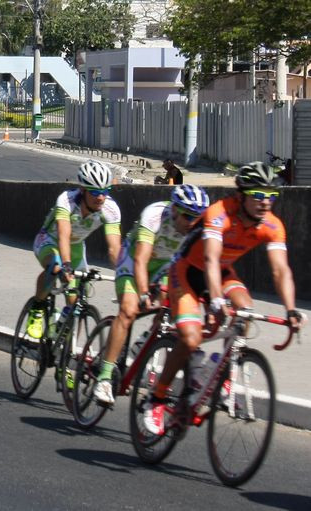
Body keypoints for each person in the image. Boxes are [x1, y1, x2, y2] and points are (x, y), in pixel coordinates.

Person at [143, 162, 303, 436]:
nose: (266, 202)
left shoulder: (272, 225)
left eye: (271, 196)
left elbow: (280, 270)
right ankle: (157, 398)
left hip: (223, 272)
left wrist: (291, 310)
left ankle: (220, 365)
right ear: (241, 195)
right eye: (258, 195)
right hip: (188, 271)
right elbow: (210, 258)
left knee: (245, 308)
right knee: (191, 338)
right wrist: (216, 301)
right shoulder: (220, 213)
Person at [93, 184, 210, 405]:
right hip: (134, 258)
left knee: (175, 309)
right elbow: (141, 260)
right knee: (128, 310)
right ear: (174, 209)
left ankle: (149, 338)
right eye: (187, 215)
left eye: (197, 217)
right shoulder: (155, 214)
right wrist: (145, 292)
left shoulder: (200, 227)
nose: (192, 222)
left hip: (167, 265)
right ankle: (105, 378)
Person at [24, 160, 122, 341]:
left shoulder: (111, 209)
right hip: (50, 240)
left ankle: (64, 356)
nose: (100, 197)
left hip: (76, 246)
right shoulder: (67, 200)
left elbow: (114, 248)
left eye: (105, 192)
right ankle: (37, 308)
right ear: (83, 190)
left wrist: (123, 275)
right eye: (94, 192)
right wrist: (66, 265)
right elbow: (63, 234)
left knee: (75, 303)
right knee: (55, 267)